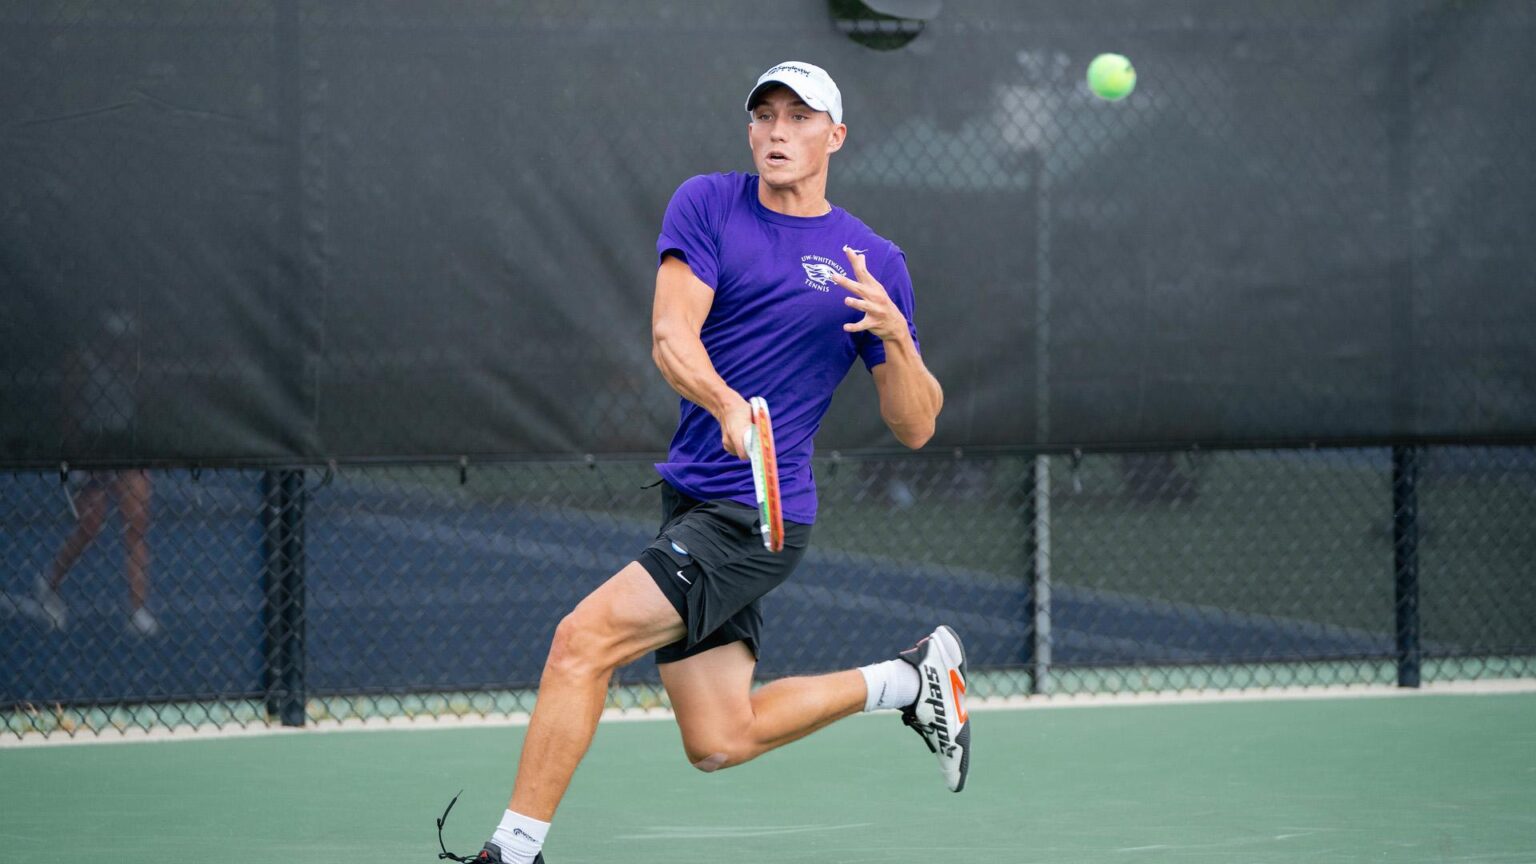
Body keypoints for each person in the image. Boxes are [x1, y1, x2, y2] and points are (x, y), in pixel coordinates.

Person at [448, 61, 963, 864]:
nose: (777, 132)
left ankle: (513, 851)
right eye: (765, 116)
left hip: (756, 515)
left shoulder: (872, 260)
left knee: (581, 641)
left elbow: (917, 426)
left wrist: (896, 338)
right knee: (721, 738)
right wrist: (726, 405)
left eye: (799, 117)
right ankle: (909, 679)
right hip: (695, 497)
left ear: (835, 136)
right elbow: (671, 337)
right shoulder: (709, 204)